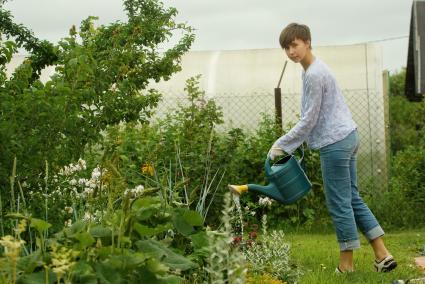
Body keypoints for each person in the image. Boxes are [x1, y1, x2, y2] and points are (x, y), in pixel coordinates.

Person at [268, 23, 397, 273]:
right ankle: (382, 254)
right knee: (351, 198)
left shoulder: (315, 74)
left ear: (307, 42)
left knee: (339, 203)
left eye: (294, 45)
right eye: (286, 47)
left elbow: (309, 119)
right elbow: (313, 117)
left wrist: (281, 145)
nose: (291, 51)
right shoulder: (311, 71)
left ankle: (346, 266)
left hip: (335, 143)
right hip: (347, 136)